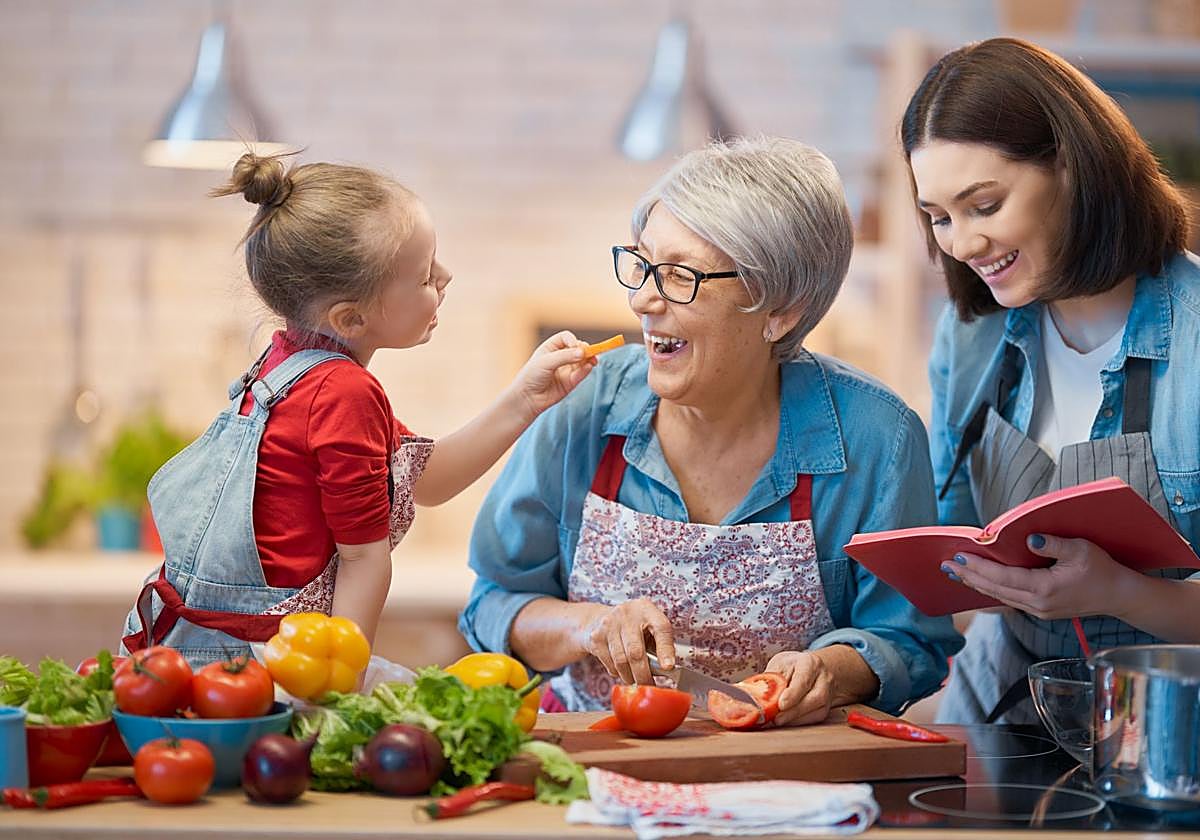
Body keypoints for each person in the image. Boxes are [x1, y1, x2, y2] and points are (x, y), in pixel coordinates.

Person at [460, 137, 963, 726]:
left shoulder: (878, 437)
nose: (643, 300)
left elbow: (910, 641)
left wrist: (829, 671)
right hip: (590, 757)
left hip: (784, 771)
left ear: (781, 310)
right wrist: (589, 626)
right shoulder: (583, 406)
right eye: (643, 264)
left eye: (680, 276)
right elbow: (493, 604)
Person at [119, 153, 594, 666]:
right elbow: (364, 558)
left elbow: (425, 481)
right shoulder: (343, 393)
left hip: (195, 648)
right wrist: (341, 686)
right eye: (425, 276)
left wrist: (527, 398)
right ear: (350, 318)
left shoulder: (286, 366)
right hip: (261, 660)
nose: (446, 277)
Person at [902, 37, 1200, 725]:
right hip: (1003, 695)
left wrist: (1120, 591)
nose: (962, 245)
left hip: (1167, 721)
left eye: (984, 205)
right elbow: (953, 532)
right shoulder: (971, 334)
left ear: (1072, 169)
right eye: (939, 217)